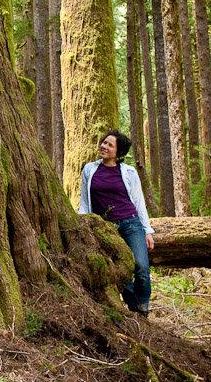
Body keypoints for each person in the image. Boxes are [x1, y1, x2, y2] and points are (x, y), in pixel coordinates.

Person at [78, 129, 155, 317]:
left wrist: (147, 230)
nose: (104, 146)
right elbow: (84, 201)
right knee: (119, 270)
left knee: (141, 267)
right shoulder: (89, 169)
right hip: (104, 228)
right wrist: (83, 224)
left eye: (110, 145)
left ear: (118, 152)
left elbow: (138, 202)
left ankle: (143, 305)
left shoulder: (129, 172)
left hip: (130, 223)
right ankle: (133, 307)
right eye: (104, 142)